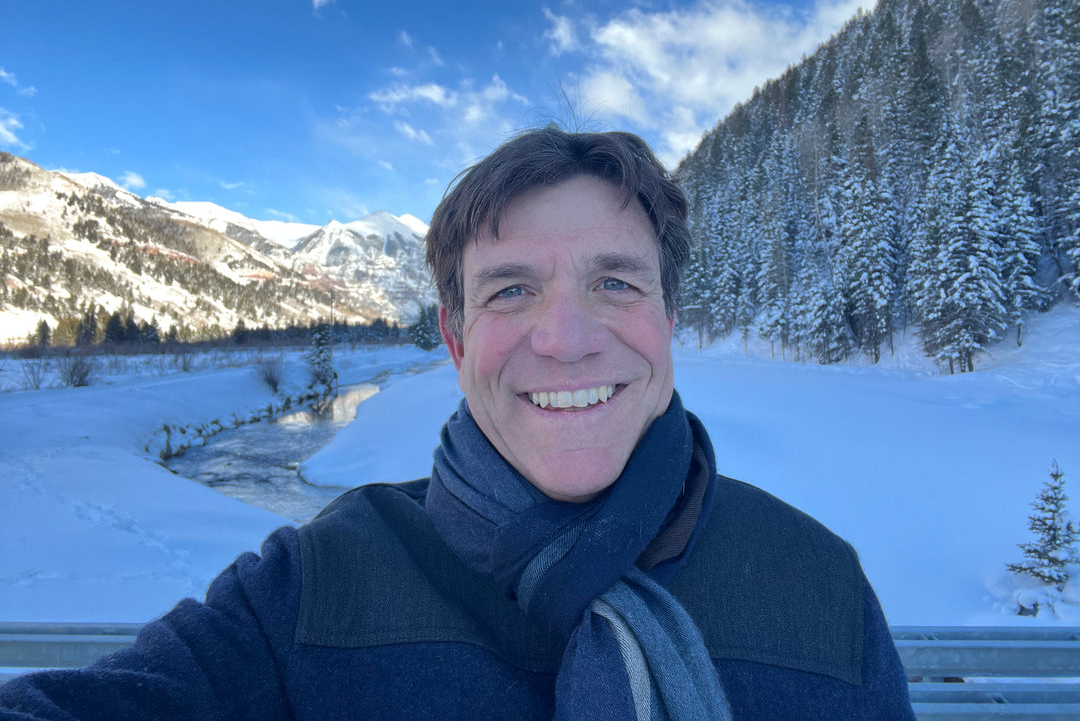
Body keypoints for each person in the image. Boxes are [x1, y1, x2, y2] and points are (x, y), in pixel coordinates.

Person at [0, 128, 914, 719]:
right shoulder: (313, 584)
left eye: (616, 282)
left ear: (668, 320)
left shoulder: (819, 587)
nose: (564, 341)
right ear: (454, 335)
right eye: (512, 290)